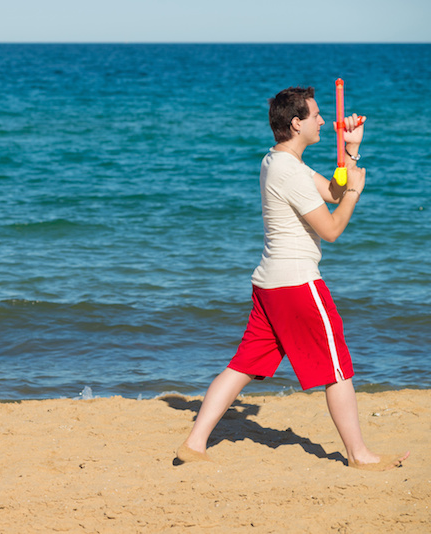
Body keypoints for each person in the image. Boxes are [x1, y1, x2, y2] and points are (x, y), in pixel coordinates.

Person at [175, 86, 409, 471]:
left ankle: (195, 443)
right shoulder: (289, 172)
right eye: (316, 116)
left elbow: (329, 191)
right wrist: (355, 192)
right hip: (297, 283)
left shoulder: (278, 162)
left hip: (269, 284)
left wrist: (350, 150)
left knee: (242, 366)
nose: (323, 121)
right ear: (296, 123)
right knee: (337, 368)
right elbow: (333, 226)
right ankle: (359, 456)